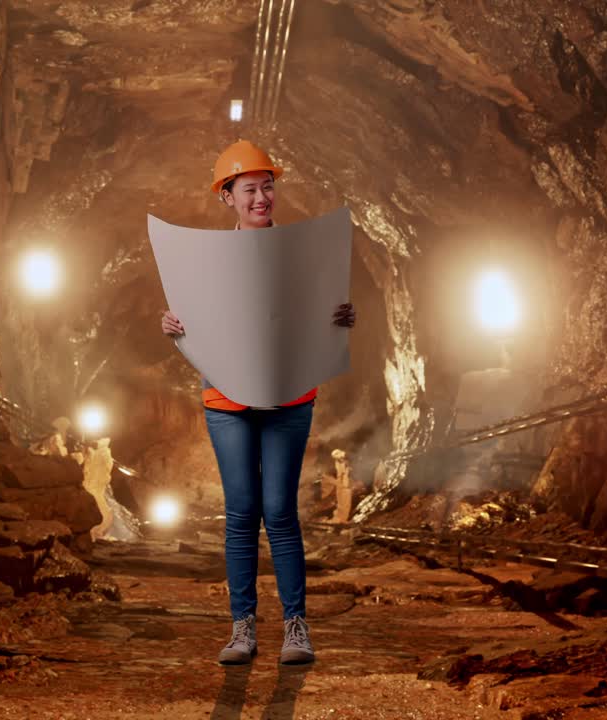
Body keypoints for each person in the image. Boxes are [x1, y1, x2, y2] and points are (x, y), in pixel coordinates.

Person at [160, 139, 356, 666]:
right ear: (228, 197)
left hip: (289, 397)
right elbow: (191, 316)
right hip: (226, 400)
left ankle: (296, 628)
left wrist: (339, 320)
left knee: (279, 512)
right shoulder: (205, 261)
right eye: (249, 189)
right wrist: (172, 325)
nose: (262, 197)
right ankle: (243, 628)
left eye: (267, 186)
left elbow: (323, 307)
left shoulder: (301, 251)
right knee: (243, 513)